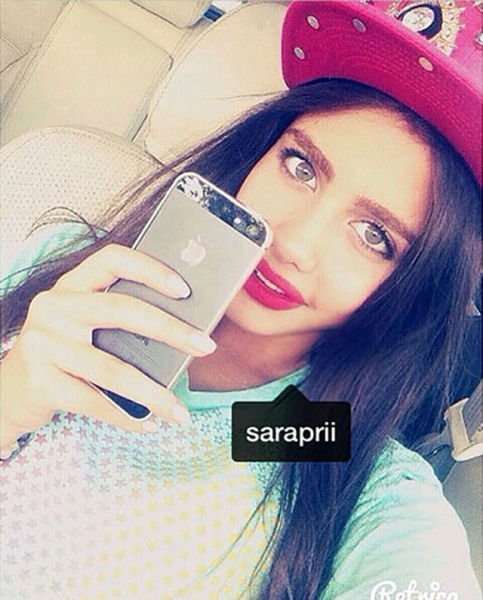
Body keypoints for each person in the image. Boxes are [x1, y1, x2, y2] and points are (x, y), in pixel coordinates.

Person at [0, 1, 481, 598]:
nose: (292, 244)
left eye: (373, 236)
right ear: (259, 152)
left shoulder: (354, 470)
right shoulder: (65, 263)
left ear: (413, 287)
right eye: (301, 167)